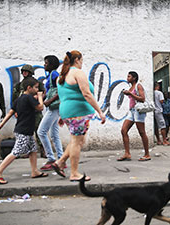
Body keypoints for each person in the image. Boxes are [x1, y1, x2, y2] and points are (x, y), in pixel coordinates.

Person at [51, 50, 106, 182]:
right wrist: (100, 111)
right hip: (78, 113)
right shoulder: (77, 73)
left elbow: (63, 97)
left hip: (68, 112)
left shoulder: (62, 75)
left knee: (77, 140)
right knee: (77, 142)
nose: (82, 63)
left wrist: (62, 115)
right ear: (77, 60)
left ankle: (60, 162)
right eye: (81, 60)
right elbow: (86, 94)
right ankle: (74, 173)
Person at [0, 77, 48, 184]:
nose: (37, 89)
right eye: (35, 87)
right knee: (17, 151)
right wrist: (40, 97)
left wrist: (0, 125)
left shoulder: (19, 99)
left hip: (23, 130)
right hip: (24, 131)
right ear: (29, 88)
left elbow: (10, 113)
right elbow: (40, 107)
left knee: (33, 149)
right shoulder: (28, 98)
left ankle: (34, 171)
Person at [12, 64, 47, 158]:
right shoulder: (20, 85)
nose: (24, 73)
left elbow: (43, 93)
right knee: (27, 132)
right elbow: (15, 98)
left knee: (39, 130)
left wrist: (38, 98)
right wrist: (15, 110)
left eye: (26, 71)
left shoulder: (36, 83)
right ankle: (28, 151)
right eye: (23, 71)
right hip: (25, 112)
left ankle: (43, 150)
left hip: (36, 110)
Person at [38, 55, 64, 171]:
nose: (44, 65)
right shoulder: (50, 75)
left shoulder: (54, 74)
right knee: (54, 134)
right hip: (53, 107)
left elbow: (61, 90)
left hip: (54, 107)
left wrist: (49, 101)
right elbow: (49, 91)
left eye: (46, 63)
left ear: (52, 64)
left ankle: (51, 159)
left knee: (41, 132)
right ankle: (61, 158)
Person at [118, 71, 151, 162]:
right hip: (132, 111)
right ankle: (127, 153)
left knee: (141, 132)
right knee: (123, 130)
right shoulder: (130, 87)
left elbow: (142, 98)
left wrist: (130, 94)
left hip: (138, 111)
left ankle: (147, 154)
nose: (127, 78)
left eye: (129, 76)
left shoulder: (138, 86)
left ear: (134, 78)